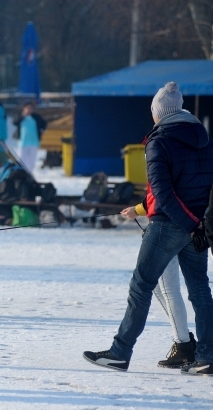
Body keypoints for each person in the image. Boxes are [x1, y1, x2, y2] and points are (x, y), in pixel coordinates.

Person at [84, 82, 213, 375]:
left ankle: (120, 352)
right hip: (198, 225)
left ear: (159, 113)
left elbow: (164, 194)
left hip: (169, 225)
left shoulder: (159, 141)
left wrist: (187, 224)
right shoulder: (204, 139)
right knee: (200, 290)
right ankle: (207, 355)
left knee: (142, 285)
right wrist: (199, 224)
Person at [121, 204, 196, 368]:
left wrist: (138, 210)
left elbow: (160, 196)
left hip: (166, 226)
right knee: (159, 287)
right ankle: (184, 340)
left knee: (169, 288)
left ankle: (184, 345)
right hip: (188, 222)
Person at [15, 102, 40, 173]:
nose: (29, 110)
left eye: (31, 108)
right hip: (23, 142)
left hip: (34, 142)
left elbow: (43, 123)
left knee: (31, 161)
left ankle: (29, 174)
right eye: (28, 108)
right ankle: (20, 173)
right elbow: (15, 122)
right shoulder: (21, 117)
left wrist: (41, 130)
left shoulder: (35, 117)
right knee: (21, 160)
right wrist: (22, 116)